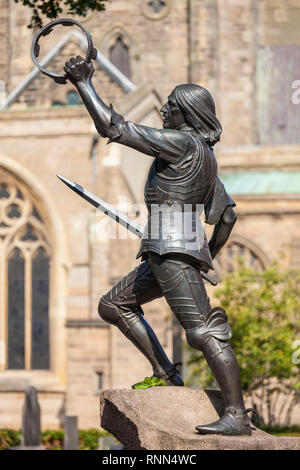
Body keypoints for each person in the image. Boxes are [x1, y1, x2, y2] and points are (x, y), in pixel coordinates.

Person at [63, 56, 253, 435]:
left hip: (172, 252)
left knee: (203, 331)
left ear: (185, 114)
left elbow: (113, 127)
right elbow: (227, 216)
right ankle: (165, 371)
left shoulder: (182, 144)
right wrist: (206, 255)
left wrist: (83, 83)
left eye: (170, 105)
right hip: (169, 251)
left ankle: (237, 416)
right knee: (113, 305)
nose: (163, 109)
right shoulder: (206, 156)